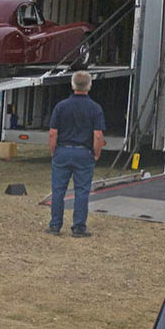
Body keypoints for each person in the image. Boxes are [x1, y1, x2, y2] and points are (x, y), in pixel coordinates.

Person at [47, 70, 106, 237]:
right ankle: (79, 227)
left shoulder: (61, 106)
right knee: (81, 191)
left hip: (63, 151)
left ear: (72, 84)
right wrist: (96, 153)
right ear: (89, 85)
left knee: (58, 190)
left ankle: (55, 225)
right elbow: (98, 135)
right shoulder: (95, 108)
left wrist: (53, 151)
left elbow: (53, 132)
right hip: (83, 153)